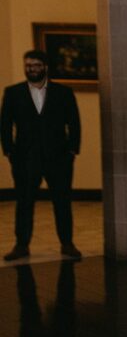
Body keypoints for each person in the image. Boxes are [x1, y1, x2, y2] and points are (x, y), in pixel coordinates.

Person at [1, 50, 82, 261]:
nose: (32, 69)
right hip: (25, 159)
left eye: (36, 65)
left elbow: (74, 122)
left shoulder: (63, 93)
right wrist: (9, 151)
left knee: (62, 202)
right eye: (28, 65)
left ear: (45, 67)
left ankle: (67, 243)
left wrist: (73, 150)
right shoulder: (12, 92)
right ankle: (21, 246)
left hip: (59, 158)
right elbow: (5, 124)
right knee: (24, 203)